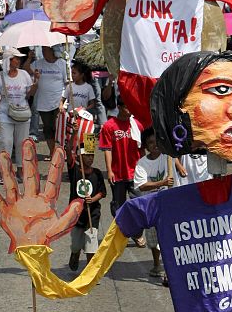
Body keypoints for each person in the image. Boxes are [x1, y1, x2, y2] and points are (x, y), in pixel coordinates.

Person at [0, 48, 39, 178]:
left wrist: (36, 82)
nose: (19, 60)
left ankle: (21, 170)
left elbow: (29, 95)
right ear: (9, 60)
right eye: (17, 58)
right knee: (6, 142)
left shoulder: (24, 75)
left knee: (22, 143)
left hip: (23, 114)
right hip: (5, 115)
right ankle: (6, 172)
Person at [98, 95, 144, 240]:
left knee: (139, 203)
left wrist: (144, 168)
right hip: (118, 174)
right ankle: (122, 233)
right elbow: (107, 149)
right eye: (126, 107)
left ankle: (137, 233)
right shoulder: (109, 126)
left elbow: (142, 148)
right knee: (118, 206)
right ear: (119, 107)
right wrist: (109, 170)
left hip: (135, 172)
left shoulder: (137, 125)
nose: (129, 110)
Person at [134, 127, 173, 280]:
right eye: (150, 143)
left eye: (156, 141)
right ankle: (157, 264)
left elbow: (177, 160)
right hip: (151, 204)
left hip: (168, 203)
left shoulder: (167, 157)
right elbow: (142, 185)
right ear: (146, 145)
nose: (154, 145)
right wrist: (162, 182)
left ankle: (168, 265)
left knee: (167, 235)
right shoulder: (142, 164)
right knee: (152, 237)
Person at [68, 145, 106, 271]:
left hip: (92, 214)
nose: (90, 159)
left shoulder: (97, 173)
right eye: (87, 156)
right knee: (76, 244)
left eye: (92, 155)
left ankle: (90, 271)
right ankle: (75, 253)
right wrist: (74, 133)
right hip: (77, 215)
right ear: (80, 157)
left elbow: (102, 192)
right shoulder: (74, 171)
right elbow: (69, 152)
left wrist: (93, 199)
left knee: (92, 243)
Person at [32, 44, 68, 157]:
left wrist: (63, 100)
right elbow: (26, 68)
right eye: (42, 49)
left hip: (59, 102)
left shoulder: (62, 63)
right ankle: (52, 152)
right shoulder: (38, 63)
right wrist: (29, 58)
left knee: (58, 128)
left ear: (53, 51)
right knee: (48, 129)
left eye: (45, 50)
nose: (43, 52)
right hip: (43, 102)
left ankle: (61, 152)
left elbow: (67, 83)